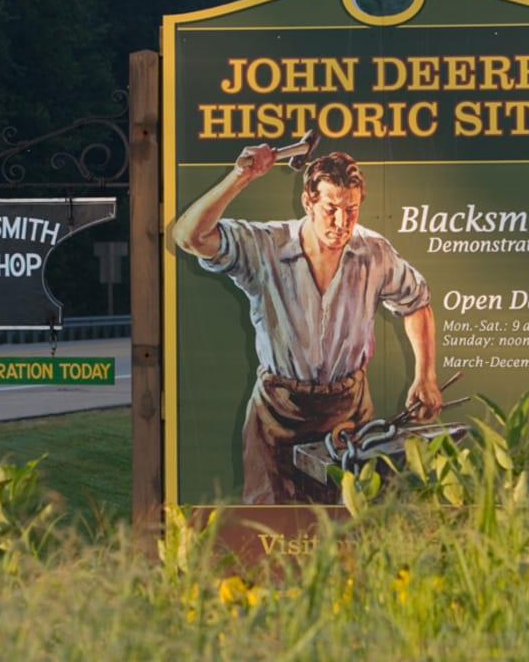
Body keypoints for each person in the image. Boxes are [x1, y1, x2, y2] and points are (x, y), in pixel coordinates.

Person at [173, 144, 443, 504]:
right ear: (308, 203)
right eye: (331, 209)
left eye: (351, 210)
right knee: (269, 528)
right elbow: (189, 237)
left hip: (349, 413)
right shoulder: (265, 246)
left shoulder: (375, 252)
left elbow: (416, 303)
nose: (341, 223)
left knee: (353, 526)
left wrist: (425, 377)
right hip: (277, 414)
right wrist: (243, 176)